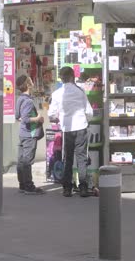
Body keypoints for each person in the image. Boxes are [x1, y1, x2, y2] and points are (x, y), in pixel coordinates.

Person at [48, 67, 93, 197]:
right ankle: (83, 187)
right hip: (81, 127)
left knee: (67, 158)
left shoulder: (56, 94)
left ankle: (67, 188)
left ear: (61, 78)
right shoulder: (80, 92)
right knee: (81, 158)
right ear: (73, 77)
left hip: (67, 129)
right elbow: (89, 112)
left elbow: (51, 114)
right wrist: (86, 120)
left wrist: (59, 118)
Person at [15, 75, 45, 195]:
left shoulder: (20, 99)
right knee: (27, 161)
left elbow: (18, 116)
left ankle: (22, 184)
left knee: (21, 160)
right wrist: (38, 118)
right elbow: (26, 119)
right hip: (29, 134)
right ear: (28, 84)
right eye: (31, 80)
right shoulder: (28, 101)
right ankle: (29, 186)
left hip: (22, 133)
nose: (32, 81)